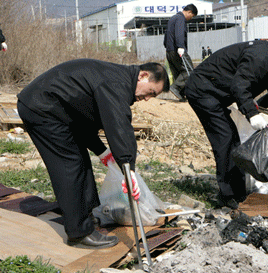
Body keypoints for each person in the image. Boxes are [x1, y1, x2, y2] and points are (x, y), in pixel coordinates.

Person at [17, 59, 169, 249]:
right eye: (151, 92)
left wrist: (103, 152)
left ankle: (86, 216)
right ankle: (79, 233)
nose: (147, 99)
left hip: (56, 109)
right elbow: (119, 125)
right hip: (41, 108)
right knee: (70, 165)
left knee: (80, 160)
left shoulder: (117, 79)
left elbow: (84, 119)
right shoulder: (116, 83)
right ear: (143, 75)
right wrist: (127, 168)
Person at [183, 31, 268, 209]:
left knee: (234, 141)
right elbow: (239, 86)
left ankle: (238, 193)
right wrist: (252, 114)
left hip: (214, 93)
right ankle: (228, 197)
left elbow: (258, 78)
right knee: (225, 140)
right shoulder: (261, 55)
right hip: (203, 91)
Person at [164, 4, 198, 101]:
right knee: (189, 71)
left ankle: (181, 94)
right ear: (189, 12)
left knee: (178, 72)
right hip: (177, 50)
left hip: (169, 51)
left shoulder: (173, 18)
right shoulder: (180, 19)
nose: (191, 18)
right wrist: (180, 47)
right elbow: (179, 33)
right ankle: (176, 88)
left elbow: (167, 35)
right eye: (192, 16)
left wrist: (167, 47)